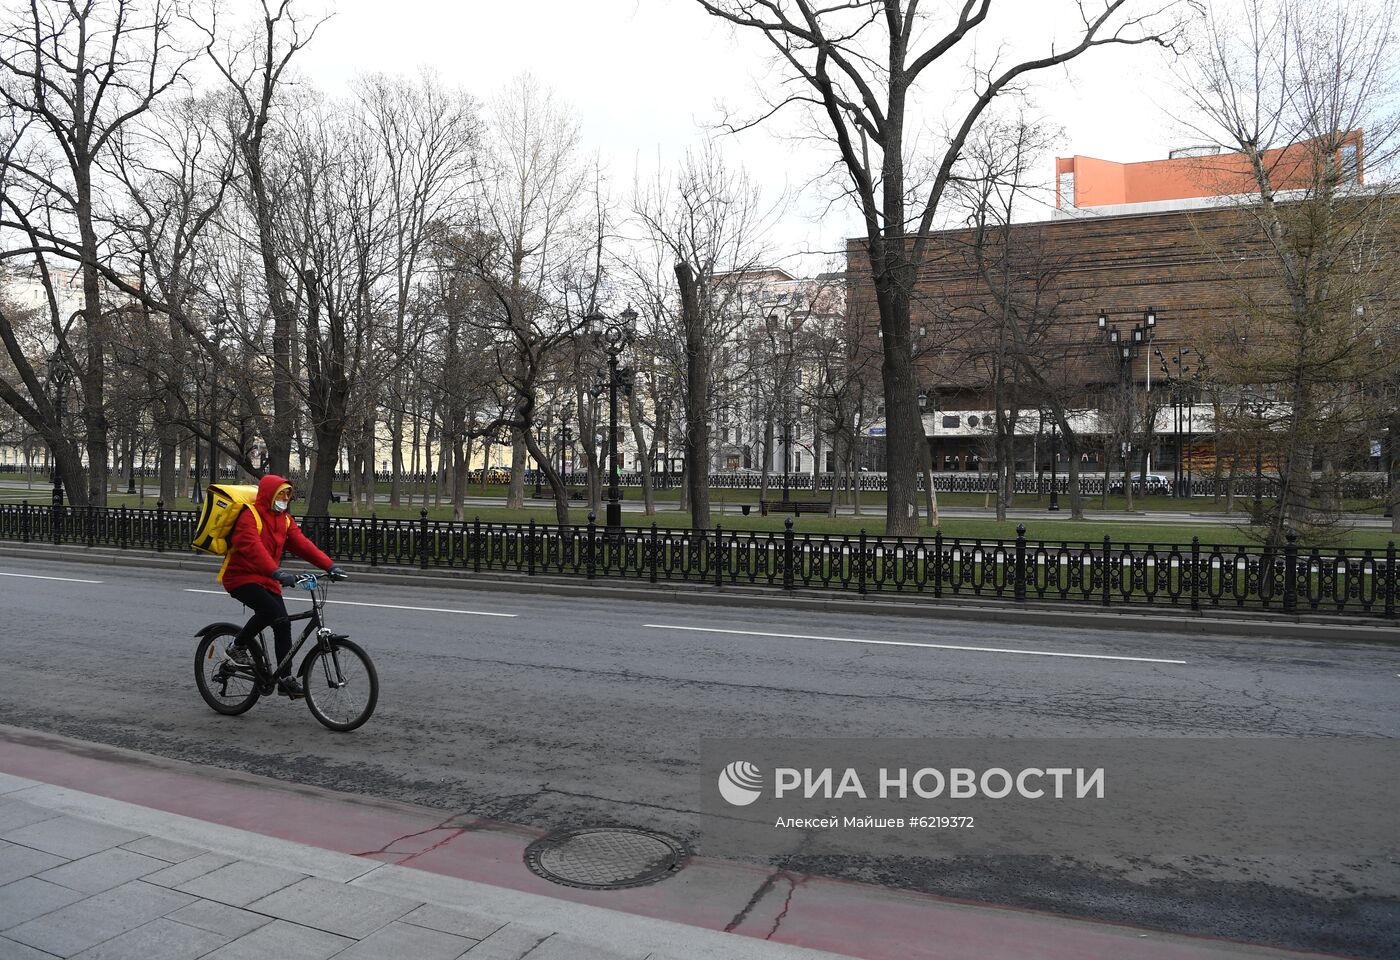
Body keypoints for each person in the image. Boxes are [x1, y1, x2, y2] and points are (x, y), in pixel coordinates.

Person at [220, 474, 345, 698]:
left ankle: (285, 679)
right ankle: (237, 646)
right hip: (241, 577)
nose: (285, 498)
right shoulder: (250, 516)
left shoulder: (284, 519)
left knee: (282, 623)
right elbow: (253, 548)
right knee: (272, 612)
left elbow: (302, 545)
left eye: (288, 494)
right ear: (269, 495)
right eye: (281, 494)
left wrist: (330, 566)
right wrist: (277, 572)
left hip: (268, 578)